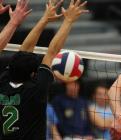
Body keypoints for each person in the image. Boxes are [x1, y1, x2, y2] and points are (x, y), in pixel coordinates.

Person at [0, 0, 88, 139]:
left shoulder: (4, 82)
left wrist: (48, 19)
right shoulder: (36, 89)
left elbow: (29, 52)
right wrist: (68, 20)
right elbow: (51, 51)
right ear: (33, 73)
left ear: (10, 67)